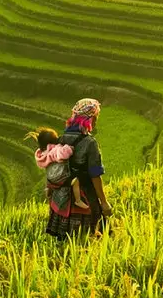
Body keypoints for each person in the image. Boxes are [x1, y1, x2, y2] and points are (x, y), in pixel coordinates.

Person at [62, 98, 113, 237]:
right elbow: (95, 174)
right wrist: (104, 202)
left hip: (65, 195)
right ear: (91, 119)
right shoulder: (90, 143)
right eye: (96, 117)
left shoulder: (63, 138)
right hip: (86, 194)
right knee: (95, 234)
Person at [28, 126, 89, 241]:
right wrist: (68, 146)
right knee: (76, 181)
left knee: (51, 186)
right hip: (62, 178)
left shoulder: (42, 153)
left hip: (52, 179)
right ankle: (78, 200)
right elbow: (65, 154)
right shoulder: (55, 149)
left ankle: (48, 189)